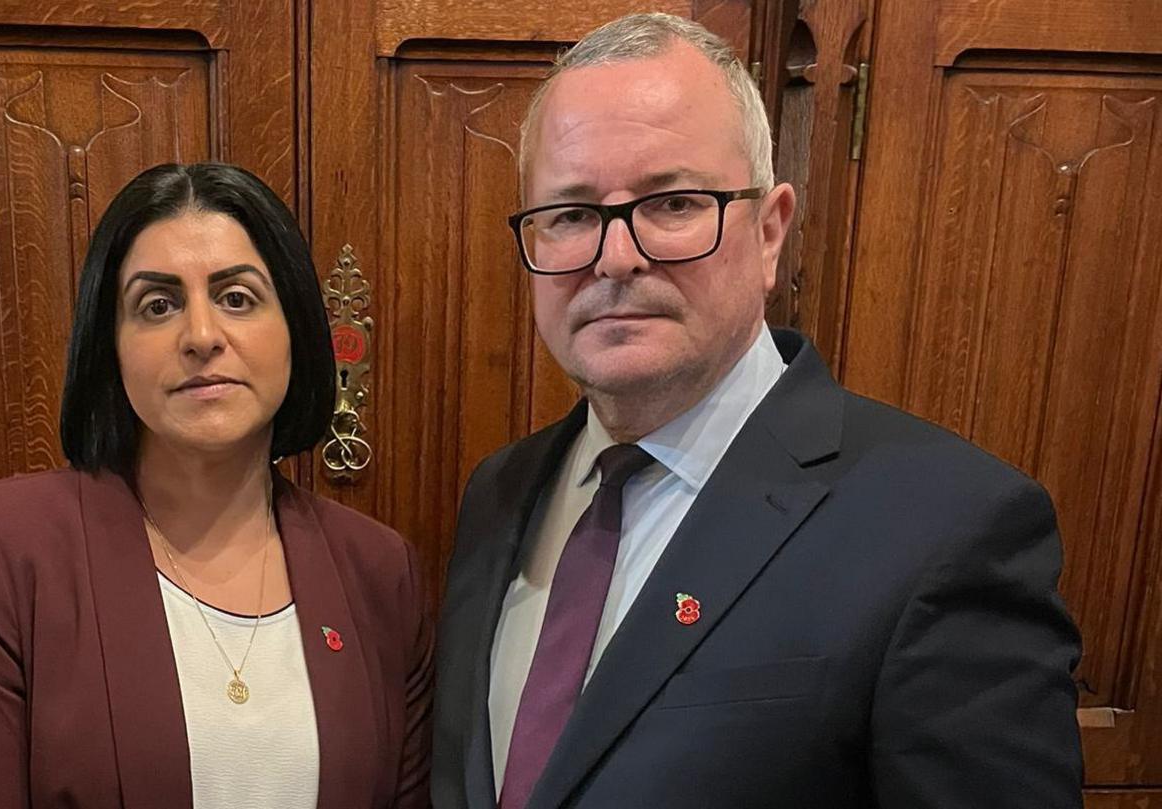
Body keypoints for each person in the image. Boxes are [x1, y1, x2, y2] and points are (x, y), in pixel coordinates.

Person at [432, 13, 1082, 809]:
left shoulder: (947, 528)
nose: (615, 256)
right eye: (570, 215)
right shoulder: (499, 493)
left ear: (770, 231)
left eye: (671, 203)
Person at [0, 162, 432, 809]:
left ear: (295, 328)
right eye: (158, 305)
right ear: (111, 346)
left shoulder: (379, 571)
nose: (202, 337)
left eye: (237, 297)